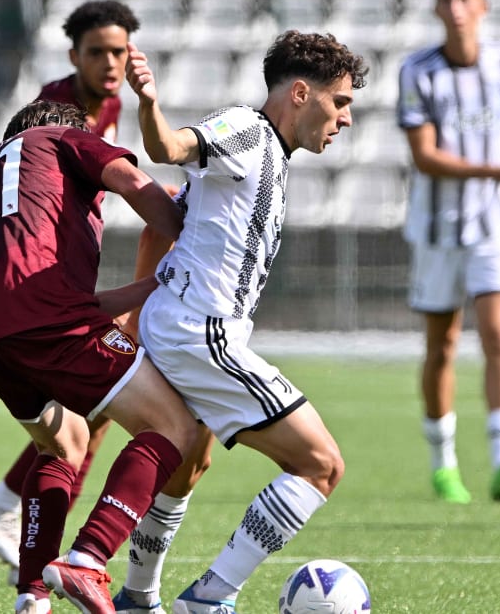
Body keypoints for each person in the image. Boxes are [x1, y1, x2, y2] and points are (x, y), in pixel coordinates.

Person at [0, 0, 214, 597]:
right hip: (41, 311)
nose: (110, 63)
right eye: (98, 51)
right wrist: (200, 243)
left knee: (69, 438)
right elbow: (137, 184)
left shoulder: (1, 166)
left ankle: (32, 596)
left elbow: (59, 298)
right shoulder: (63, 127)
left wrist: (146, 292)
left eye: (119, 51)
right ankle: (90, 554)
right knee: (176, 428)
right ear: (73, 57)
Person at [124, 30, 368, 613]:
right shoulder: (246, 130)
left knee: (187, 464)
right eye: (341, 103)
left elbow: (174, 217)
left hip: (185, 325)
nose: (346, 119)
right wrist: (148, 102)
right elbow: (170, 146)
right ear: (302, 94)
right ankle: (211, 598)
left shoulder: (271, 156)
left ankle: (136, 596)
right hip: (201, 332)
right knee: (321, 465)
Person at [396, 0, 500, 505]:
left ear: (481, 4)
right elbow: (424, 156)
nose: (454, 8)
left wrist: (499, 180)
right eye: (444, 0)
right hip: (438, 230)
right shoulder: (418, 71)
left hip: (495, 225)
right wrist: (497, 172)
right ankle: (444, 466)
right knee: (443, 346)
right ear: (436, 10)